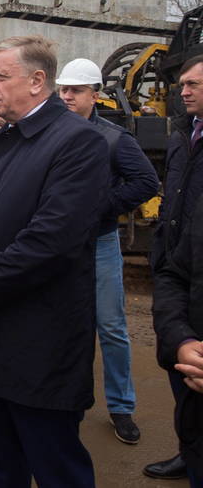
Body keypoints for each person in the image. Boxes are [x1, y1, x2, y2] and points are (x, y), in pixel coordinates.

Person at [0, 36, 109, 487]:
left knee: (56, 470)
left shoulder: (78, 142)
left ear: (37, 81)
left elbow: (50, 242)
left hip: (39, 349)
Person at [56, 58, 159, 445]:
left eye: (76, 90)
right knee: (64, 325)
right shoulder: (50, 133)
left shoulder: (115, 139)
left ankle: (120, 406)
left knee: (112, 327)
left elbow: (146, 181)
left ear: (94, 95)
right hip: (59, 250)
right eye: (63, 89)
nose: (67, 96)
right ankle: (67, 399)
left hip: (99, 245)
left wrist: (102, 207)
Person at [147, 54, 203, 484]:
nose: (182, 92)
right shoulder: (184, 134)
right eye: (182, 84)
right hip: (178, 269)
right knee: (182, 379)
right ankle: (188, 451)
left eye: (192, 85)